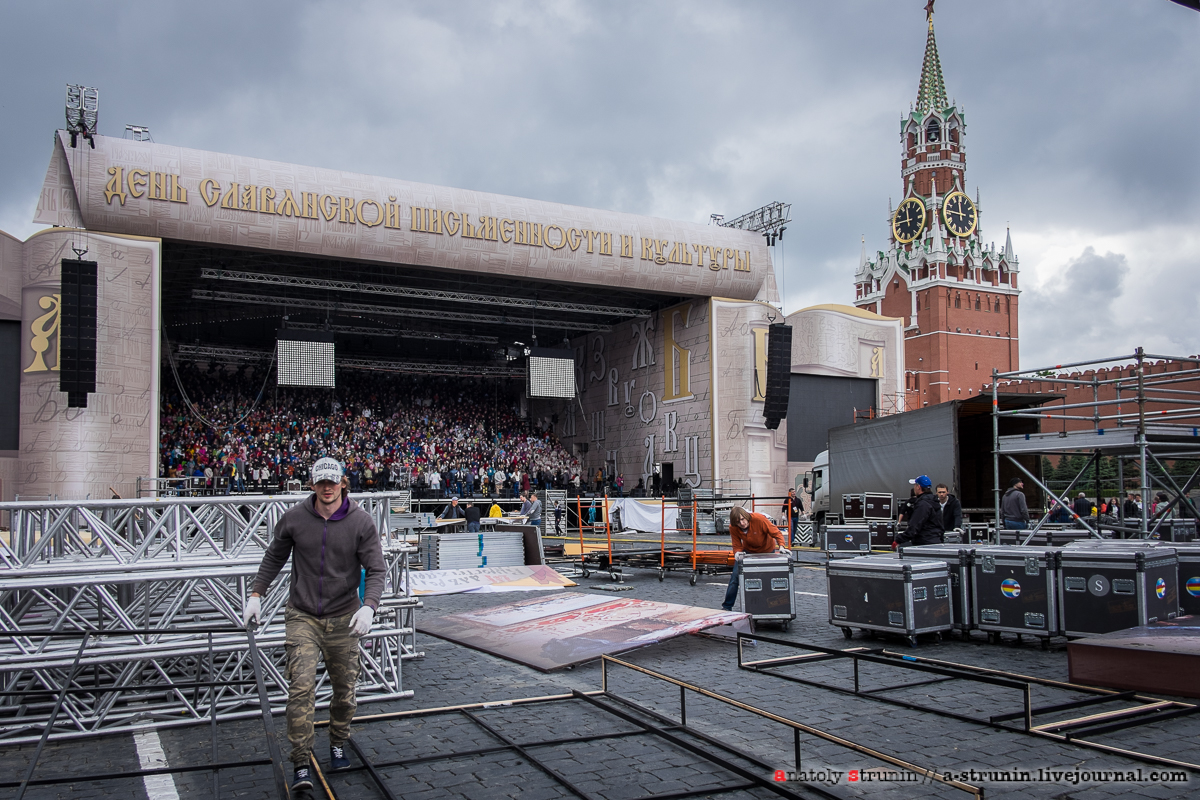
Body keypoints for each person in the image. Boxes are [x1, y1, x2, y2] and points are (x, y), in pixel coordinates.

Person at [243, 457, 385, 793]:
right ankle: (301, 761)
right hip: (303, 615)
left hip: (344, 617)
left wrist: (369, 606)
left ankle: (338, 741)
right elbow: (274, 556)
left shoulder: (361, 522)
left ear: (342, 483)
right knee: (301, 688)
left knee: (345, 691)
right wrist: (256, 594)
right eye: (321, 482)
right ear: (312, 484)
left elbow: (377, 569)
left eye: (332, 482)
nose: (326, 488)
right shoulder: (294, 518)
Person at [721, 506, 789, 611]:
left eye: (742, 519)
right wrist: (737, 553)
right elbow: (736, 543)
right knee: (735, 577)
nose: (742, 523)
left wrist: (781, 546)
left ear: (746, 516)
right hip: (748, 551)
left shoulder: (759, 519)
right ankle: (727, 606)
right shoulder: (733, 527)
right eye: (738, 522)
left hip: (767, 550)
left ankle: (771, 606)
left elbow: (776, 532)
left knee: (768, 578)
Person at [896, 475, 944, 546]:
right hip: (935, 541)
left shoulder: (923, 504)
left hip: (924, 543)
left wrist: (898, 540)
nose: (914, 488)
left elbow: (914, 526)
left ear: (918, 487)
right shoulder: (934, 502)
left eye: (915, 485)